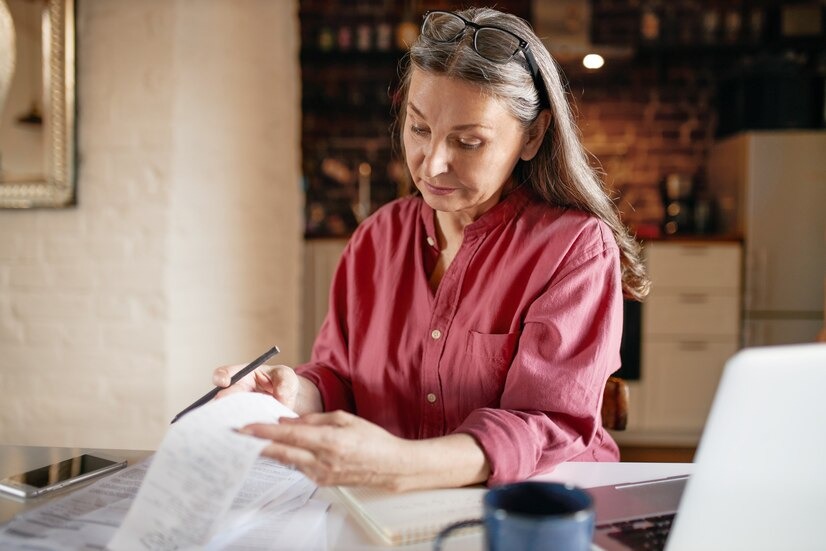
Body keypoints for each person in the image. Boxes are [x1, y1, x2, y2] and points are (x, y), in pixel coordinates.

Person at [214, 7, 649, 492]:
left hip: (536, 511)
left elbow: (545, 423)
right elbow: (340, 379)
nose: (434, 164)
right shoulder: (376, 239)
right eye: (419, 129)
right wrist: (297, 392)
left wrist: (400, 465)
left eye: (468, 141)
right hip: (394, 510)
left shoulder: (573, 248)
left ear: (533, 136)